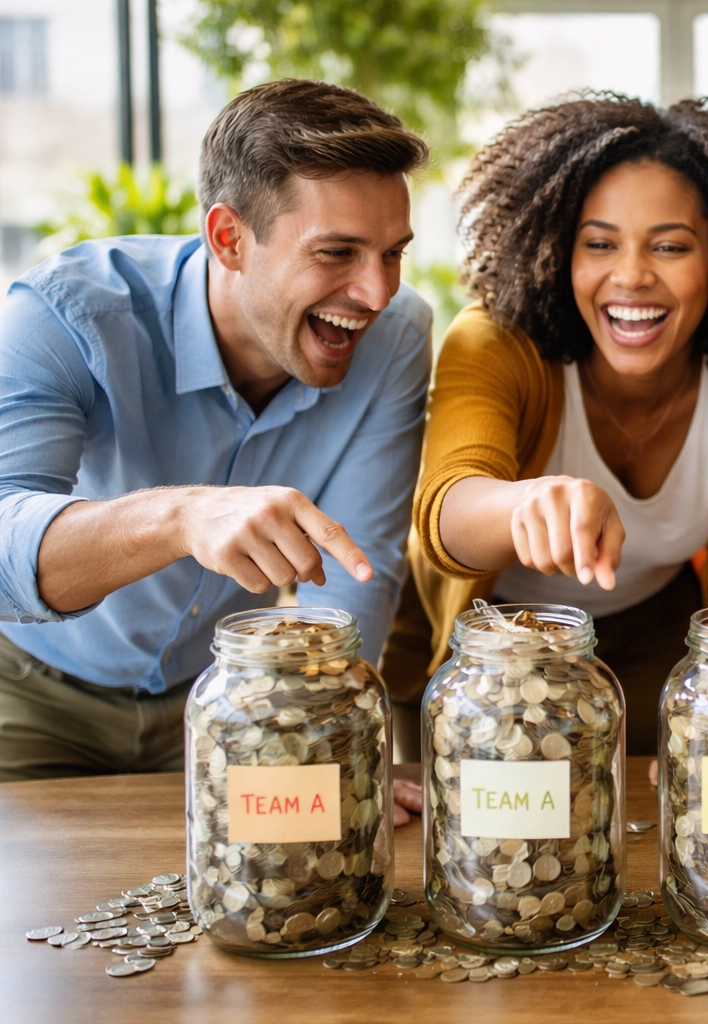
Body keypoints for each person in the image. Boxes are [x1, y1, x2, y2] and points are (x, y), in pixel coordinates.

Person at [0, 80, 432, 791]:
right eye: (337, 254)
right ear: (230, 238)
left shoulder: (397, 338)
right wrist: (182, 516)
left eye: (392, 254)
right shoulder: (67, 316)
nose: (377, 293)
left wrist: (345, 742)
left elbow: (360, 572)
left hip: (229, 701)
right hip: (30, 689)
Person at [392, 95, 708, 760]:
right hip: (489, 637)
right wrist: (524, 504)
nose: (630, 276)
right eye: (599, 243)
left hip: (656, 629)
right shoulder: (495, 343)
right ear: (561, 252)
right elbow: (444, 513)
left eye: (670, 246)